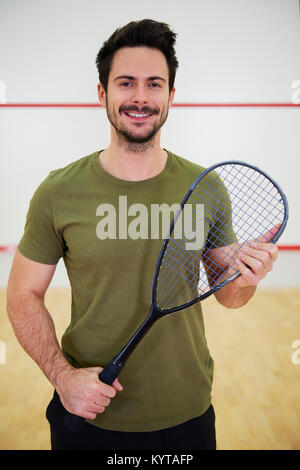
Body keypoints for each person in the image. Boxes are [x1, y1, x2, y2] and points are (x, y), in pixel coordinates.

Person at [7, 19, 278, 451]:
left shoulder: (207, 186)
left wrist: (246, 279)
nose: (140, 97)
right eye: (126, 83)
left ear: (171, 96)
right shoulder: (58, 191)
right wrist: (62, 376)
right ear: (102, 93)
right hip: (87, 413)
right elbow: (22, 295)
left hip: (186, 413)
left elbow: (229, 296)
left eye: (154, 84)